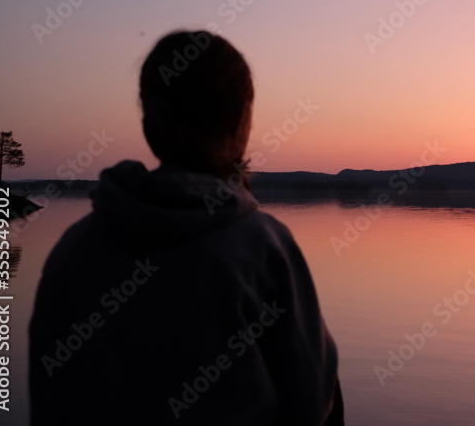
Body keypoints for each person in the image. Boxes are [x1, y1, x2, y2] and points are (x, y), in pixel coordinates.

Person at [29, 31, 344, 424]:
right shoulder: (264, 249)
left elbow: (47, 402)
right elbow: (312, 405)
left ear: (149, 119)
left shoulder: (72, 249)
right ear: (242, 119)